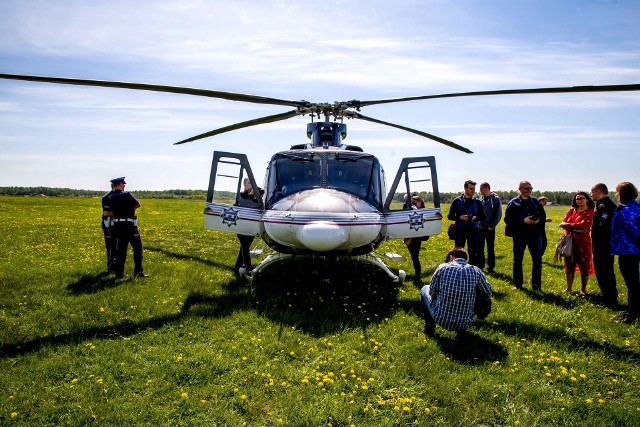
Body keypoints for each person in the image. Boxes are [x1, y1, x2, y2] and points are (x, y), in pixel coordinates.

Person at [419, 247, 492, 338]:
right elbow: (488, 290)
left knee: (424, 289)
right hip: (466, 321)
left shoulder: (442, 267)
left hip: (441, 318)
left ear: (451, 257)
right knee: (481, 295)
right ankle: (461, 332)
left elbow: (432, 291)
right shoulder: (476, 271)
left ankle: (429, 327)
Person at [104, 177, 148, 279]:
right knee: (138, 249)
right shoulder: (127, 195)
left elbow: (110, 212)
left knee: (121, 250)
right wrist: (128, 209)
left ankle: (119, 274)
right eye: (123, 184)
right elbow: (138, 204)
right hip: (129, 225)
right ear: (119, 184)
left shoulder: (111, 198)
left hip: (118, 226)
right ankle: (138, 272)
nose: (124, 186)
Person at [504, 180, 544, 291]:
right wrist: (522, 221)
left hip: (535, 234)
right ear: (520, 189)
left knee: (537, 260)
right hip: (519, 235)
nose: (529, 190)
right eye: (526, 188)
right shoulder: (513, 203)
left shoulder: (536, 202)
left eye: (530, 188)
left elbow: (543, 217)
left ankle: (536, 286)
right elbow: (508, 219)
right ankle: (518, 284)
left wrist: (538, 221)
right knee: (518, 259)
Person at [611, 182, 640, 324]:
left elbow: (635, 231)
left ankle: (631, 315)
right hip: (632, 250)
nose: (616, 194)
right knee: (632, 282)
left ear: (622, 193)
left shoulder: (626, 210)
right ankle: (631, 308)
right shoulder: (636, 207)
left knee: (632, 283)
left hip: (629, 250)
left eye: (617, 191)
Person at [559, 192, 595, 295]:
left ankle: (583, 289)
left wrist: (568, 225)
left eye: (581, 198)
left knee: (584, 265)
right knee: (569, 264)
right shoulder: (572, 210)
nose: (579, 200)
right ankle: (569, 288)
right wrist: (575, 228)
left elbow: (584, 224)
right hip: (569, 241)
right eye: (577, 199)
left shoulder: (590, 212)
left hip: (583, 242)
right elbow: (564, 222)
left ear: (587, 199)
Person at [590, 183, 619, 308]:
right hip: (602, 244)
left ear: (599, 191)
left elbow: (604, 228)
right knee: (603, 270)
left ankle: (609, 299)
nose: (591, 194)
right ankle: (606, 296)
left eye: (592, 191)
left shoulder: (605, 206)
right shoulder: (602, 205)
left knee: (604, 271)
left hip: (603, 245)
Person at [447, 180, 485, 266]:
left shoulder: (477, 202)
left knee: (473, 252)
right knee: (459, 252)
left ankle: (472, 271)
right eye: (471, 189)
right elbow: (450, 216)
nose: (473, 191)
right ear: (465, 188)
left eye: (474, 189)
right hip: (460, 229)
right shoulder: (457, 201)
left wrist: (475, 218)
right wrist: (459, 217)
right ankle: (457, 268)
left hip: (474, 230)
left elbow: (483, 217)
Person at [234, 177, 263, 275]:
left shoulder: (256, 196)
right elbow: (243, 202)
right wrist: (251, 195)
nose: (251, 184)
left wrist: (255, 191)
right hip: (241, 225)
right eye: (249, 183)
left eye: (252, 183)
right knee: (245, 247)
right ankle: (248, 269)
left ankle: (237, 268)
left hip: (251, 225)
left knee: (244, 247)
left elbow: (262, 192)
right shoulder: (241, 195)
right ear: (244, 185)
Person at [404, 194, 429, 282]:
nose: (415, 203)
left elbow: (418, 225)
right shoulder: (408, 210)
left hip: (417, 237)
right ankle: (417, 274)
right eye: (413, 202)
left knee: (415, 256)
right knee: (414, 256)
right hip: (409, 235)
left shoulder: (422, 212)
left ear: (421, 202)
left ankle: (418, 275)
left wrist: (416, 211)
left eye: (417, 201)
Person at [478, 182, 502, 273]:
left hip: (490, 228)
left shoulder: (495, 199)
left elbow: (498, 213)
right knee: (480, 247)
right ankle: (480, 265)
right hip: (480, 227)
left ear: (486, 188)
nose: (480, 190)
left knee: (490, 248)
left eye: (481, 188)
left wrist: (492, 226)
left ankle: (491, 266)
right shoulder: (480, 199)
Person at [101, 179, 116, 272]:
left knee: (117, 244)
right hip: (109, 224)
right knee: (110, 245)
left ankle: (115, 263)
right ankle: (111, 264)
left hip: (116, 223)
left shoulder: (119, 196)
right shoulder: (107, 197)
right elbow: (106, 213)